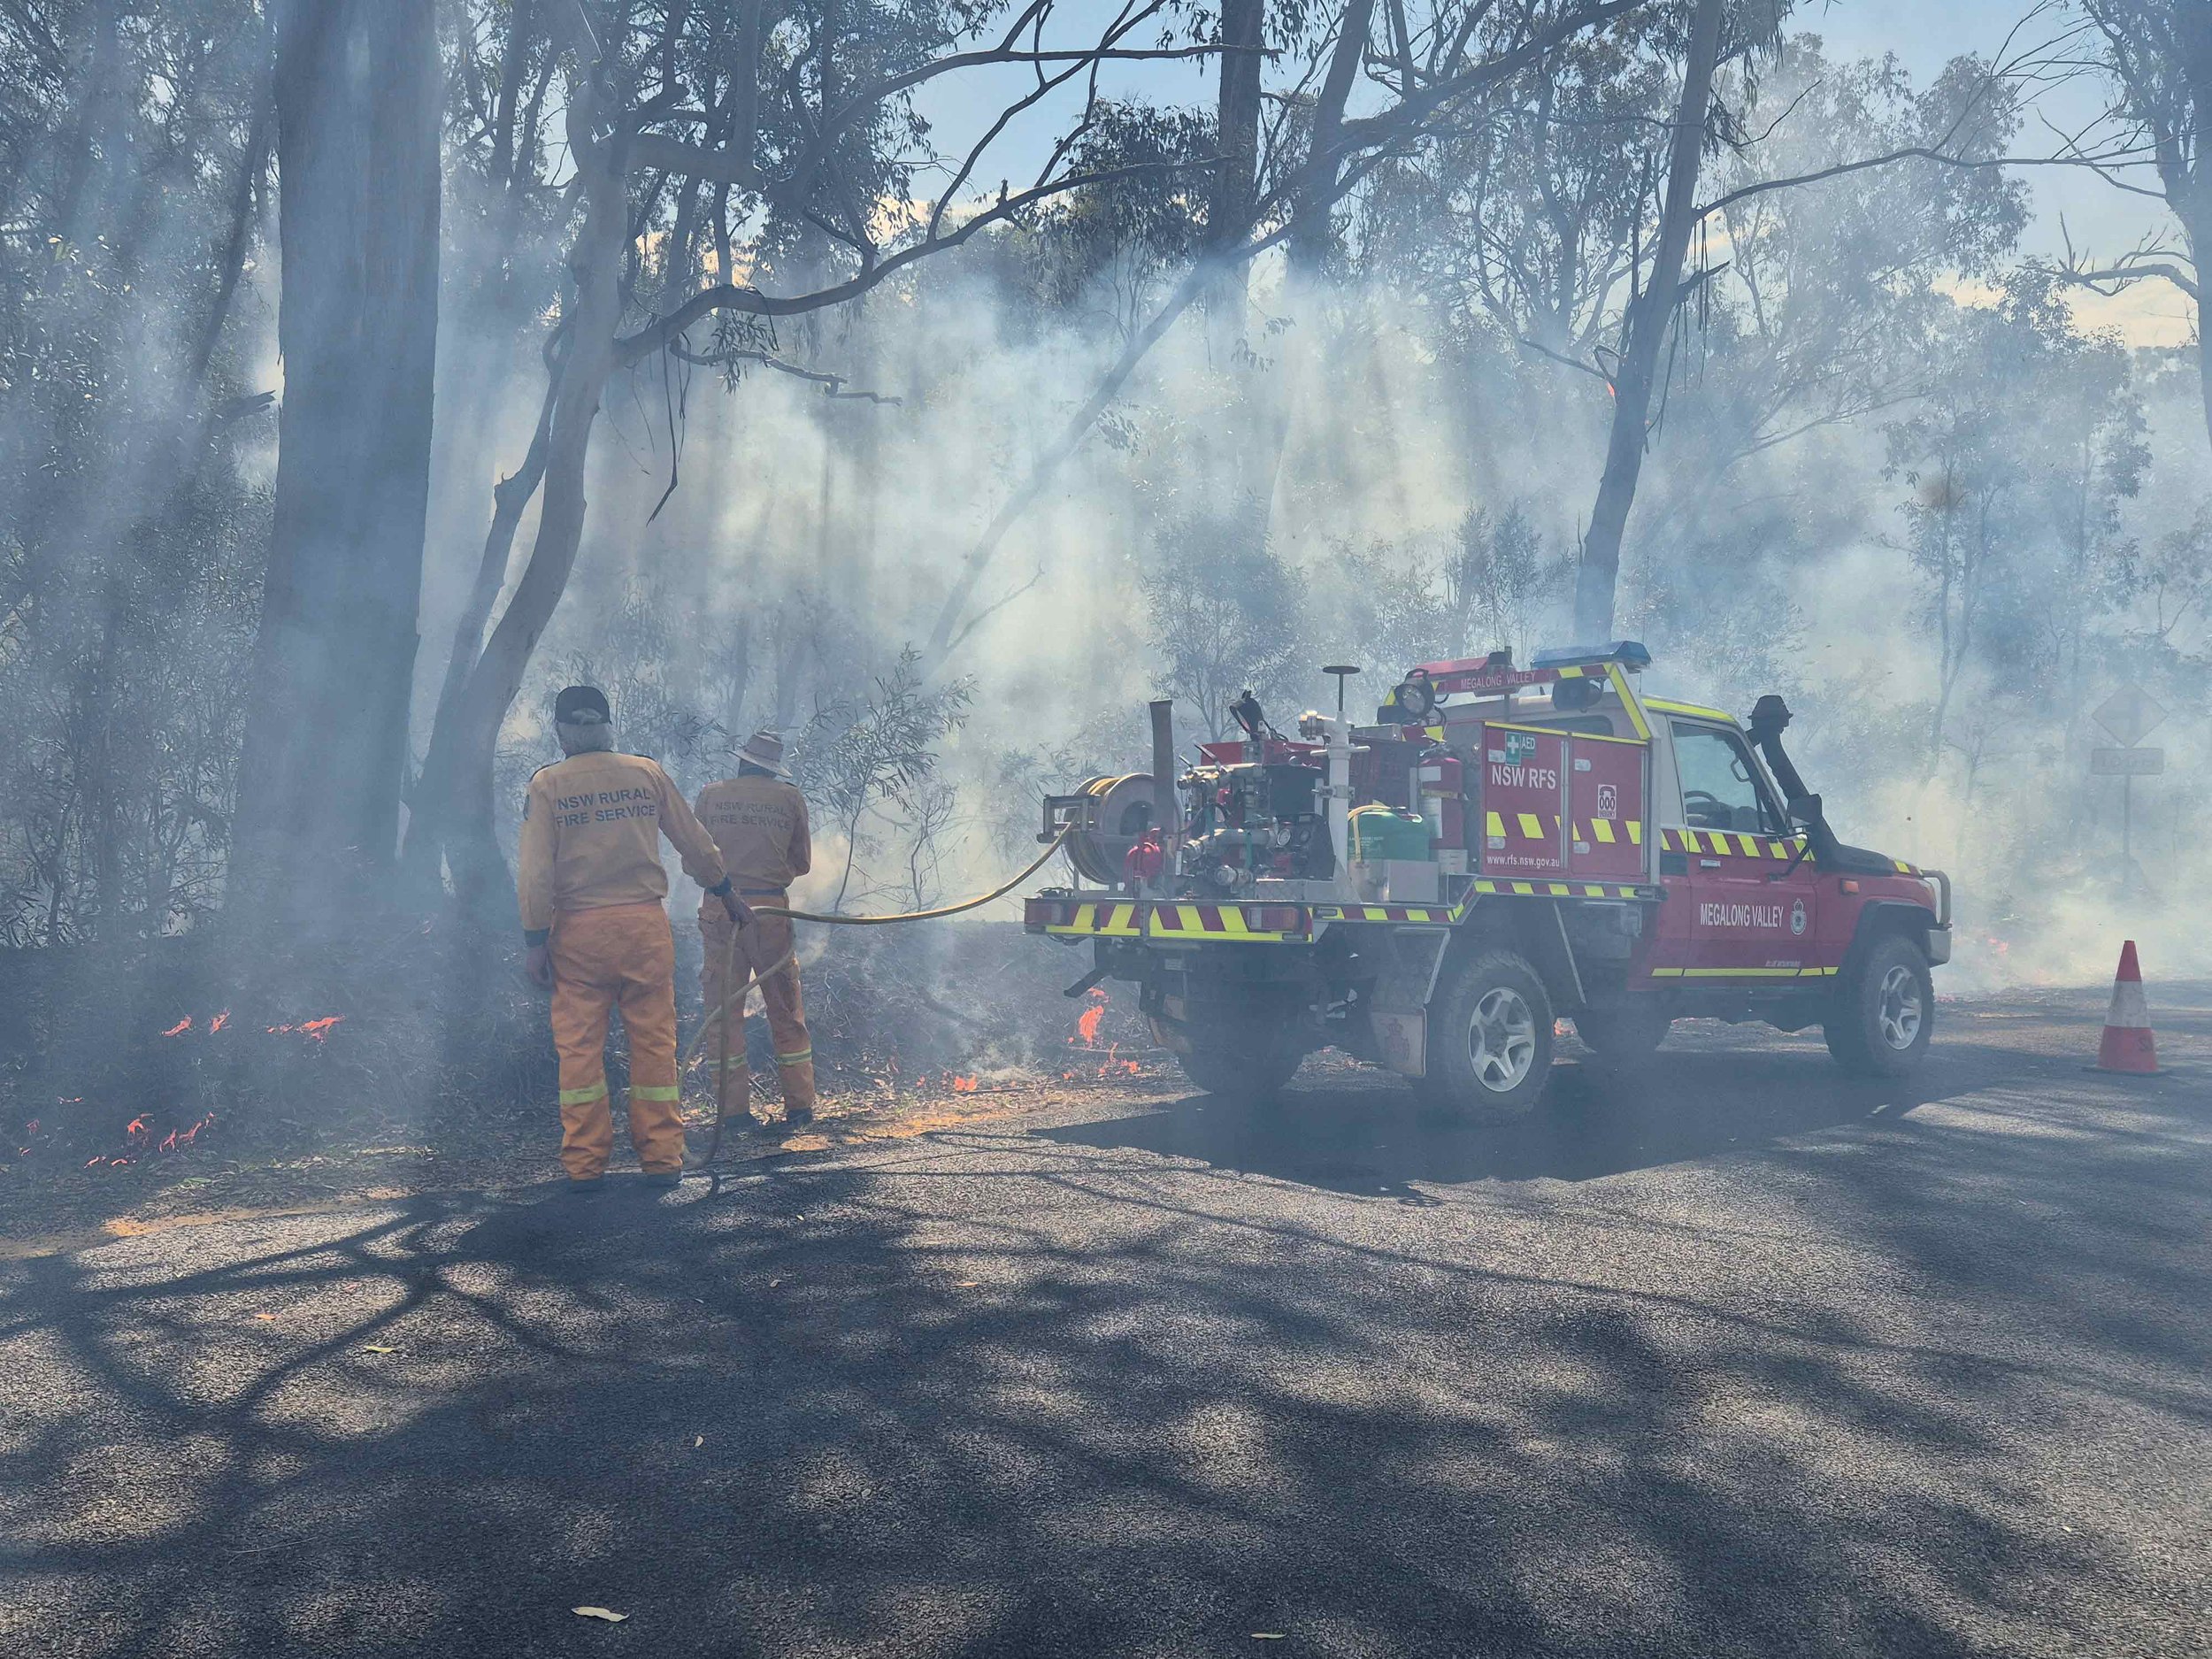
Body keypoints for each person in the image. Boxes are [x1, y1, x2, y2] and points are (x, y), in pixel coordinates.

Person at [517, 686, 748, 1192]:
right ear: (606, 724)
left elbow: (535, 873)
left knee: (579, 1049)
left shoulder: (547, 785)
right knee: (653, 1043)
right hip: (644, 927)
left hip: (578, 932)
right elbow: (695, 843)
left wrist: (535, 940)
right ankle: (663, 1159)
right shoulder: (645, 773)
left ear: (562, 730)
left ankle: (584, 1167)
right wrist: (725, 891)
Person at [694, 730, 816, 1131]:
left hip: (719, 910)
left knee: (723, 1014)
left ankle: (733, 1114)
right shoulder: (790, 798)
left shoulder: (711, 795)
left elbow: (693, 859)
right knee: (785, 1008)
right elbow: (802, 863)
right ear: (773, 768)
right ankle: (799, 1109)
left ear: (742, 761)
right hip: (769, 911)